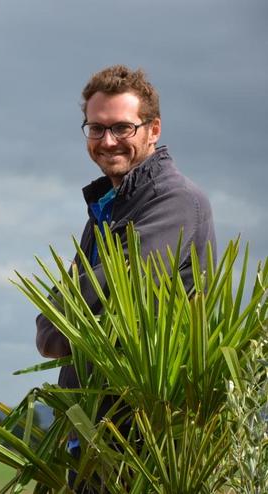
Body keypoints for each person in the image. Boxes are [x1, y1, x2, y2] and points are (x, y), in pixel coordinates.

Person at [34, 65, 216, 490]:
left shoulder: (175, 202)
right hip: (92, 434)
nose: (108, 141)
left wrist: (54, 318)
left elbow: (91, 301)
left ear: (152, 129)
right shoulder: (109, 205)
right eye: (96, 129)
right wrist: (55, 320)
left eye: (121, 127)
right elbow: (57, 323)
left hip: (146, 443)